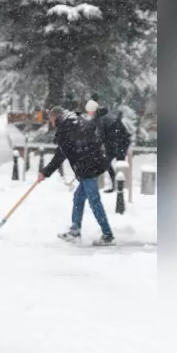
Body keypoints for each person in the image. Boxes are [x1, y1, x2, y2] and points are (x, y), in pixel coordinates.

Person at [38, 106, 115, 245]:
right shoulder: (77, 120)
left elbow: (59, 156)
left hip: (87, 168)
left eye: (51, 119)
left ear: (55, 117)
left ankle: (107, 235)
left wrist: (45, 172)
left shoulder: (65, 129)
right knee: (79, 197)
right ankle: (75, 230)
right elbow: (92, 125)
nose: (51, 122)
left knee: (94, 201)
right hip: (94, 162)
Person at [86, 100, 131, 193]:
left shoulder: (100, 119)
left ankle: (119, 189)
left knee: (113, 165)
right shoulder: (106, 116)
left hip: (116, 145)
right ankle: (118, 187)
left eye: (89, 111)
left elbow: (101, 135)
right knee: (114, 165)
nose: (88, 113)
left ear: (92, 110)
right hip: (119, 143)